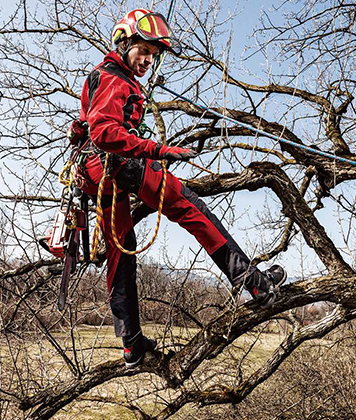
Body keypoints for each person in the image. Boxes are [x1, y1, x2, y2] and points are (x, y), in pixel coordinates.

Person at [75, 9, 287, 368]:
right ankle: (253, 283)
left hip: (98, 174)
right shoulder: (112, 77)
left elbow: (93, 132)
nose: (148, 60)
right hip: (116, 164)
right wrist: (158, 150)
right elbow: (104, 134)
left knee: (120, 249)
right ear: (124, 42)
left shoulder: (114, 78)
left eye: (153, 56)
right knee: (189, 207)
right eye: (144, 51)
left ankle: (131, 343)